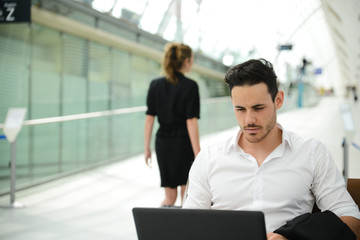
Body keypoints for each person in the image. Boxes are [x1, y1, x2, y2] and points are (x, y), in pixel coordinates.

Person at [182, 58, 360, 239]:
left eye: (258, 108)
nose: (248, 120)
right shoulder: (209, 157)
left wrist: (292, 238)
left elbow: (351, 220)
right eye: (240, 109)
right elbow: (186, 226)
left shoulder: (311, 153)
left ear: (279, 100)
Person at [144, 42, 201, 207]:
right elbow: (191, 121)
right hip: (183, 143)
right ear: (186, 61)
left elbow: (149, 118)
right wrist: (198, 154)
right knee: (186, 195)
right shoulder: (190, 86)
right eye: (192, 60)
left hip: (163, 143)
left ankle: (161, 230)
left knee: (169, 197)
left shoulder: (155, 85)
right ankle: (183, 231)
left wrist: (146, 148)